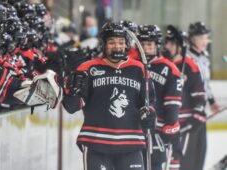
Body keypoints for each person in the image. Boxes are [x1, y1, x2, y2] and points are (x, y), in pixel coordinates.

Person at [62, 21, 156, 170]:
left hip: (131, 143)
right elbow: (71, 107)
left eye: (121, 42)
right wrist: (72, 91)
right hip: (96, 143)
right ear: (104, 44)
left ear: (126, 45)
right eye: (112, 42)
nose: (117, 46)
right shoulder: (88, 68)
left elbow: (149, 102)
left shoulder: (139, 69)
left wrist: (149, 114)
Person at [138, 25, 182, 170]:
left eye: (149, 44)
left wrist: (170, 125)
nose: (145, 48)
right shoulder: (132, 65)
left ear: (157, 45)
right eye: (142, 44)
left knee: (155, 165)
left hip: (157, 131)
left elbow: (173, 103)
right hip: (134, 129)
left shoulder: (169, 68)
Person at [163, 25, 206, 170]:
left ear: (179, 46)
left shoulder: (190, 66)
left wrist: (194, 119)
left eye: (171, 42)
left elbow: (200, 97)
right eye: (167, 42)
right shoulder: (163, 64)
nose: (167, 46)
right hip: (165, 124)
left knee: (182, 163)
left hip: (183, 124)